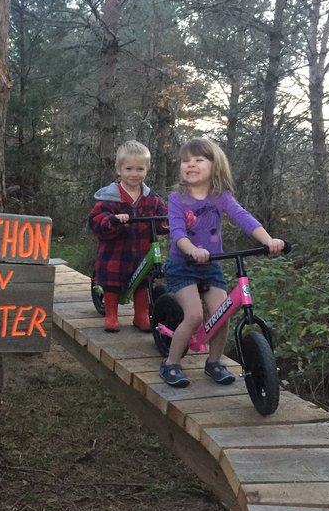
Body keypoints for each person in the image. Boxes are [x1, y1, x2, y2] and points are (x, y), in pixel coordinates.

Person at [158, 137, 285, 387]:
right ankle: (171, 363)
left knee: (222, 313)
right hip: (183, 265)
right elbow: (177, 233)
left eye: (198, 160)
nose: (190, 165)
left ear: (214, 166)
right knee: (194, 315)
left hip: (211, 266)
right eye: (185, 161)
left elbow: (243, 217)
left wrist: (268, 240)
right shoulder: (178, 198)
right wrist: (192, 249)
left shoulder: (221, 197)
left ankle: (214, 361)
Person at [88, 140, 168, 332]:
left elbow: (162, 220)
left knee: (144, 280)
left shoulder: (151, 198)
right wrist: (113, 219)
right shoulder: (110, 197)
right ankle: (111, 315)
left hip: (141, 249)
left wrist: (170, 223)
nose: (134, 174)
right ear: (119, 169)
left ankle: (140, 315)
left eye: (140, 169)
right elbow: (96, 220)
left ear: (147, 169)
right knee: (112, 279)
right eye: (129, 168)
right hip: (116, 249)